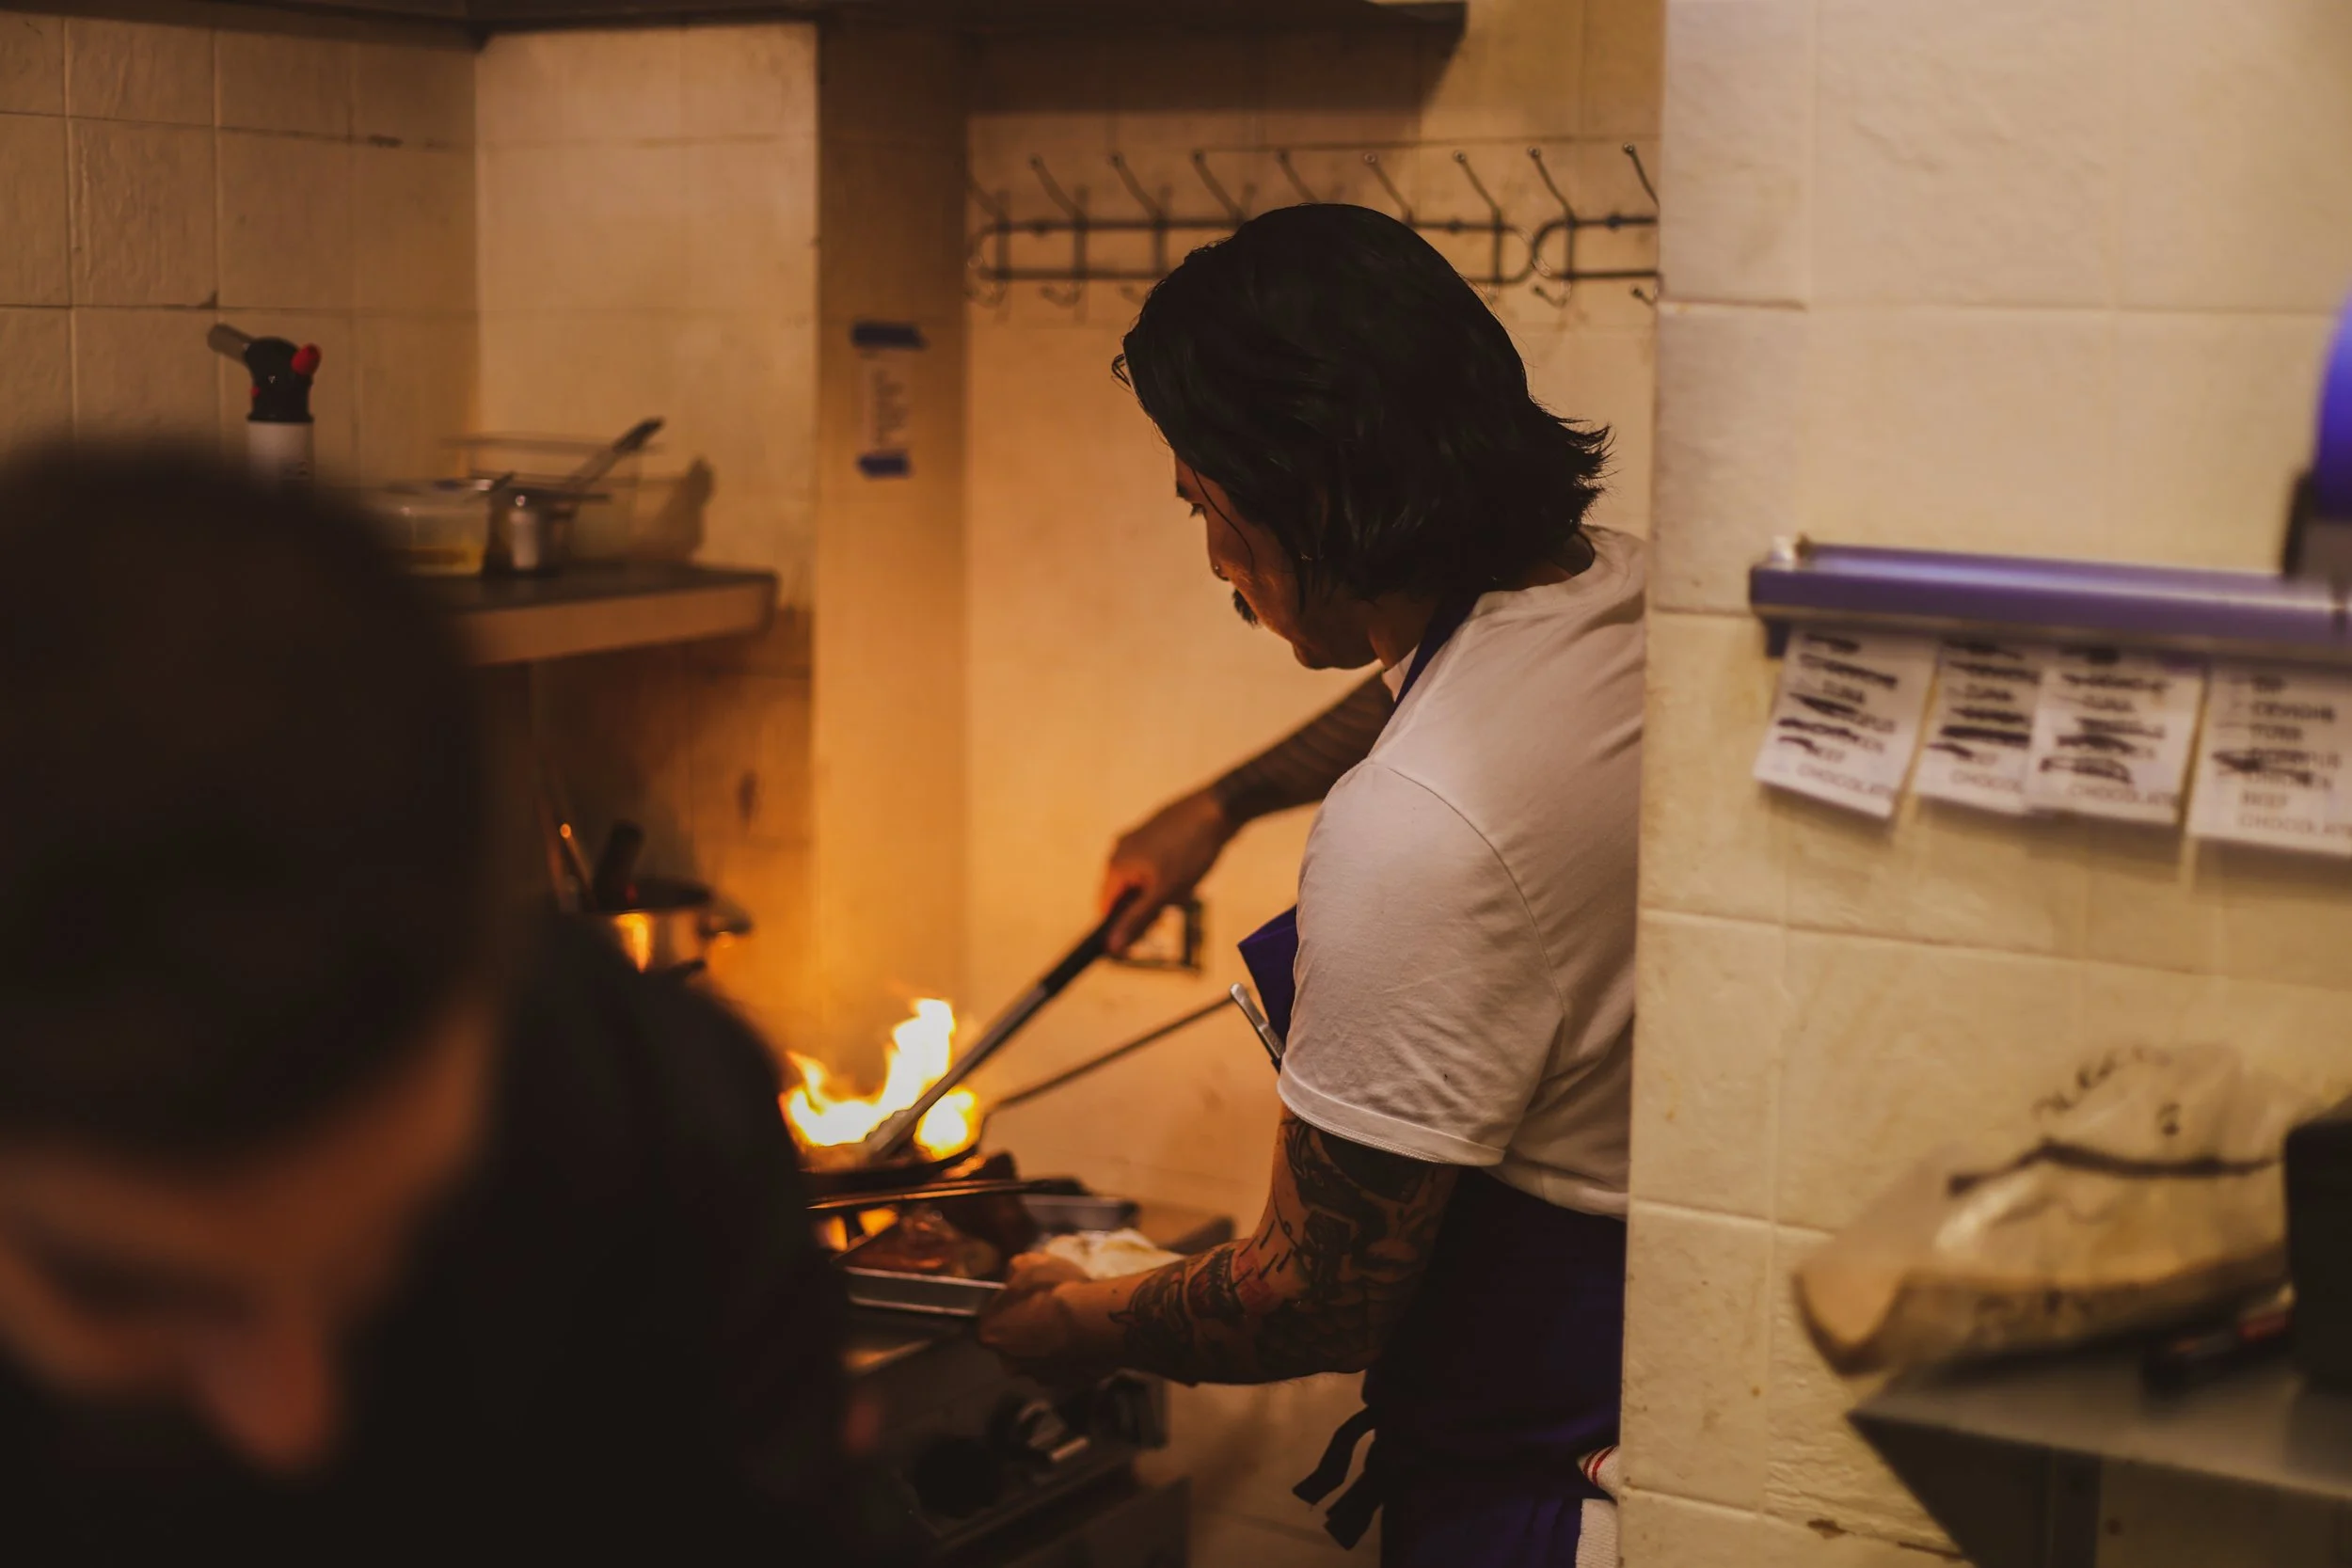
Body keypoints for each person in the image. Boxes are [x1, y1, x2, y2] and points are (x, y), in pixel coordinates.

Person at [0, 449, 862, 1561]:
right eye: (119, 1290)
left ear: (488, 973)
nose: (290, 1420)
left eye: (381, 1240)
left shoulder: (655, 1122)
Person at [977, 204, 1644, 1567]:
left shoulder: (1414, 830)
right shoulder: (1617, 594)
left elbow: (1317, 1297)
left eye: (1206, 507)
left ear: (1308, 492)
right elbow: (1426, 688)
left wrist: (1084, 1319)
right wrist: (1223, 801)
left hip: (1541, 1498)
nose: (1215, 562)